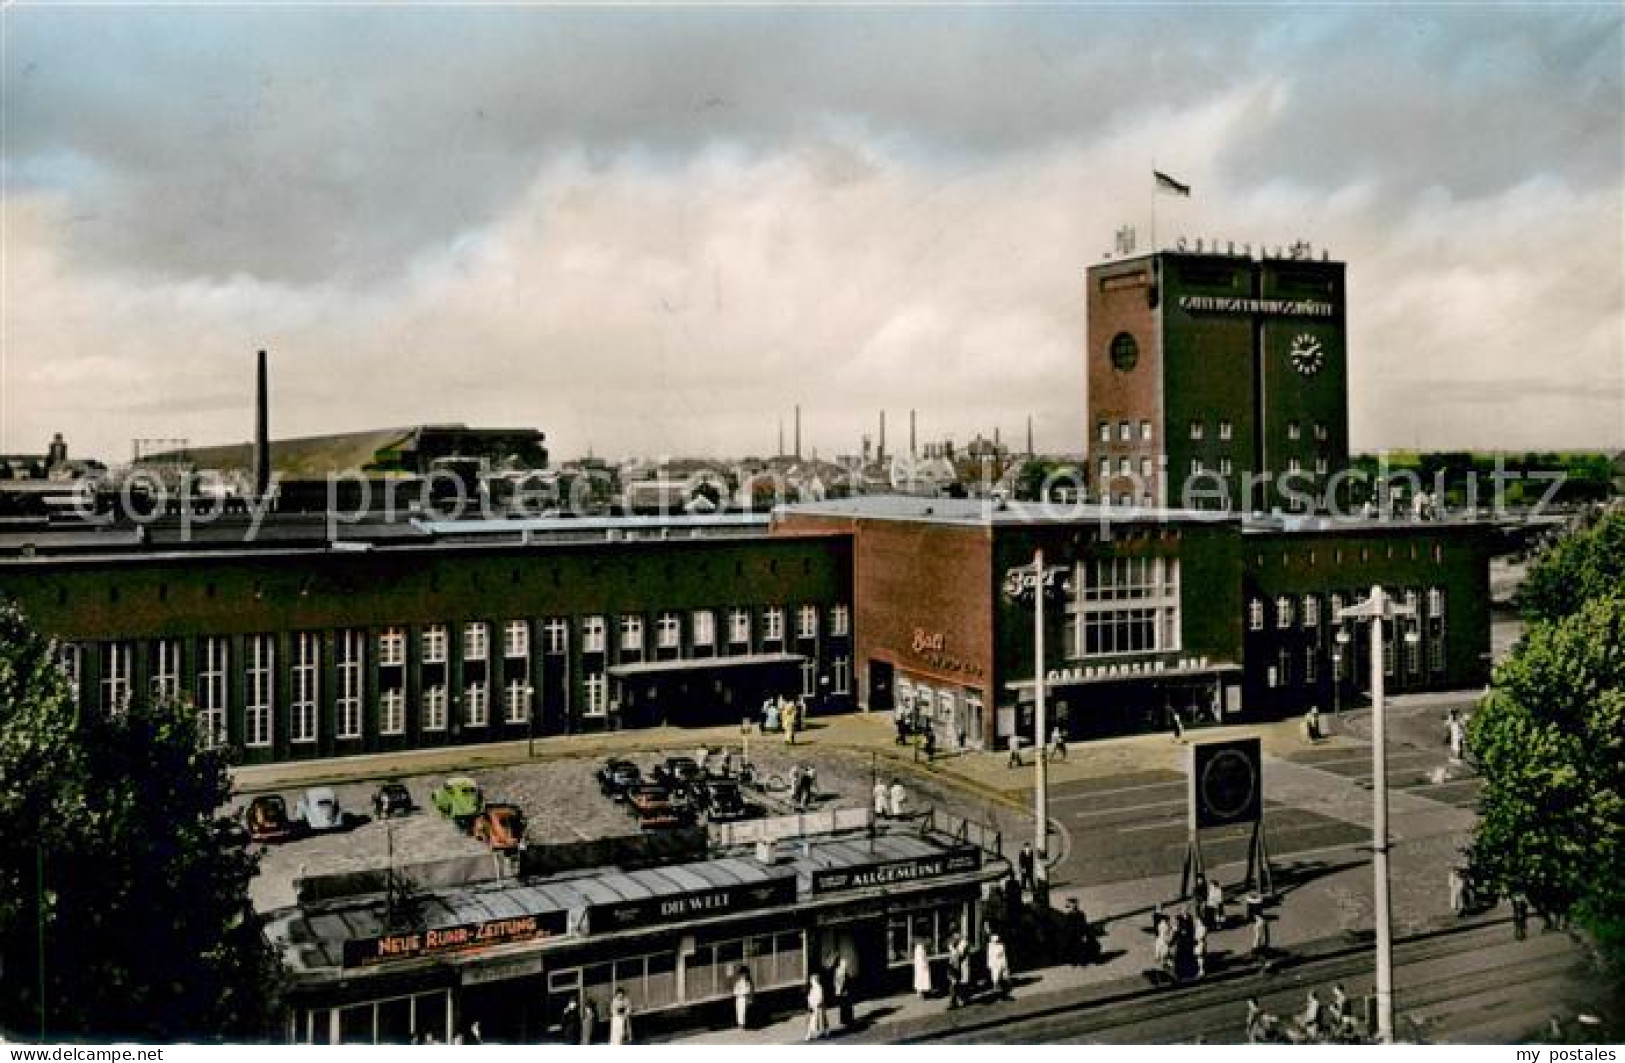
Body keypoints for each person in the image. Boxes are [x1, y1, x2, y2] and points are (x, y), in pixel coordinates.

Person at [986, 933, 1011, 999]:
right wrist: (989, 965)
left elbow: (1003, 956)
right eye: (995, 941)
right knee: (996, 979)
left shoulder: (1001, 946)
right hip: (995, 965)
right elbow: (990, 956)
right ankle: (997, 993)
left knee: (1002, 979)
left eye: (997, 940)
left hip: (1001, 964)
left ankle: (1002, 993)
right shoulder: (990, 946)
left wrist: (1005, 966)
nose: (996, 942)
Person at [832, 956, 854, 1027]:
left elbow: (836, 981)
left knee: (844, 1005)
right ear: (841, 964)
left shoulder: (840, 971)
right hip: (843, 991)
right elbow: (839, 981)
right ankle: (846, 1019)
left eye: (845, 963)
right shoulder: (840, 971)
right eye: (844, 963)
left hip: (843, 990)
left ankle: (845, 1019)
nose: (846, 965)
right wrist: (840, 989)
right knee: (845, 1005)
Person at [805, 973, 827, 1040]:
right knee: (813, 1020)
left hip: (817, 1007)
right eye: (811, 980)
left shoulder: (818, 988)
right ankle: (811, 1034)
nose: (810, 981)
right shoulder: (813, 988)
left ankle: (820, 1032)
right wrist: (809, 1003)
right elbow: (810, 997)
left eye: (812, 980)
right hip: (813, 1007)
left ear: (815, 980)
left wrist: (816, 1004)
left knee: (817, 1020)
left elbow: (820, 998)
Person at [1193, 913, 1209, 978]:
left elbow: (1201, 937)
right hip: (1198, 944)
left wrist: (1195, 939)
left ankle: (1202, 970)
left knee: (1200, 957)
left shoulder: (1203, 928)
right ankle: (1200, 970)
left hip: (1200, 944)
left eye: (1197, 920)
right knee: (1198, 957)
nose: (1196, 921)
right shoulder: (1197, 928)